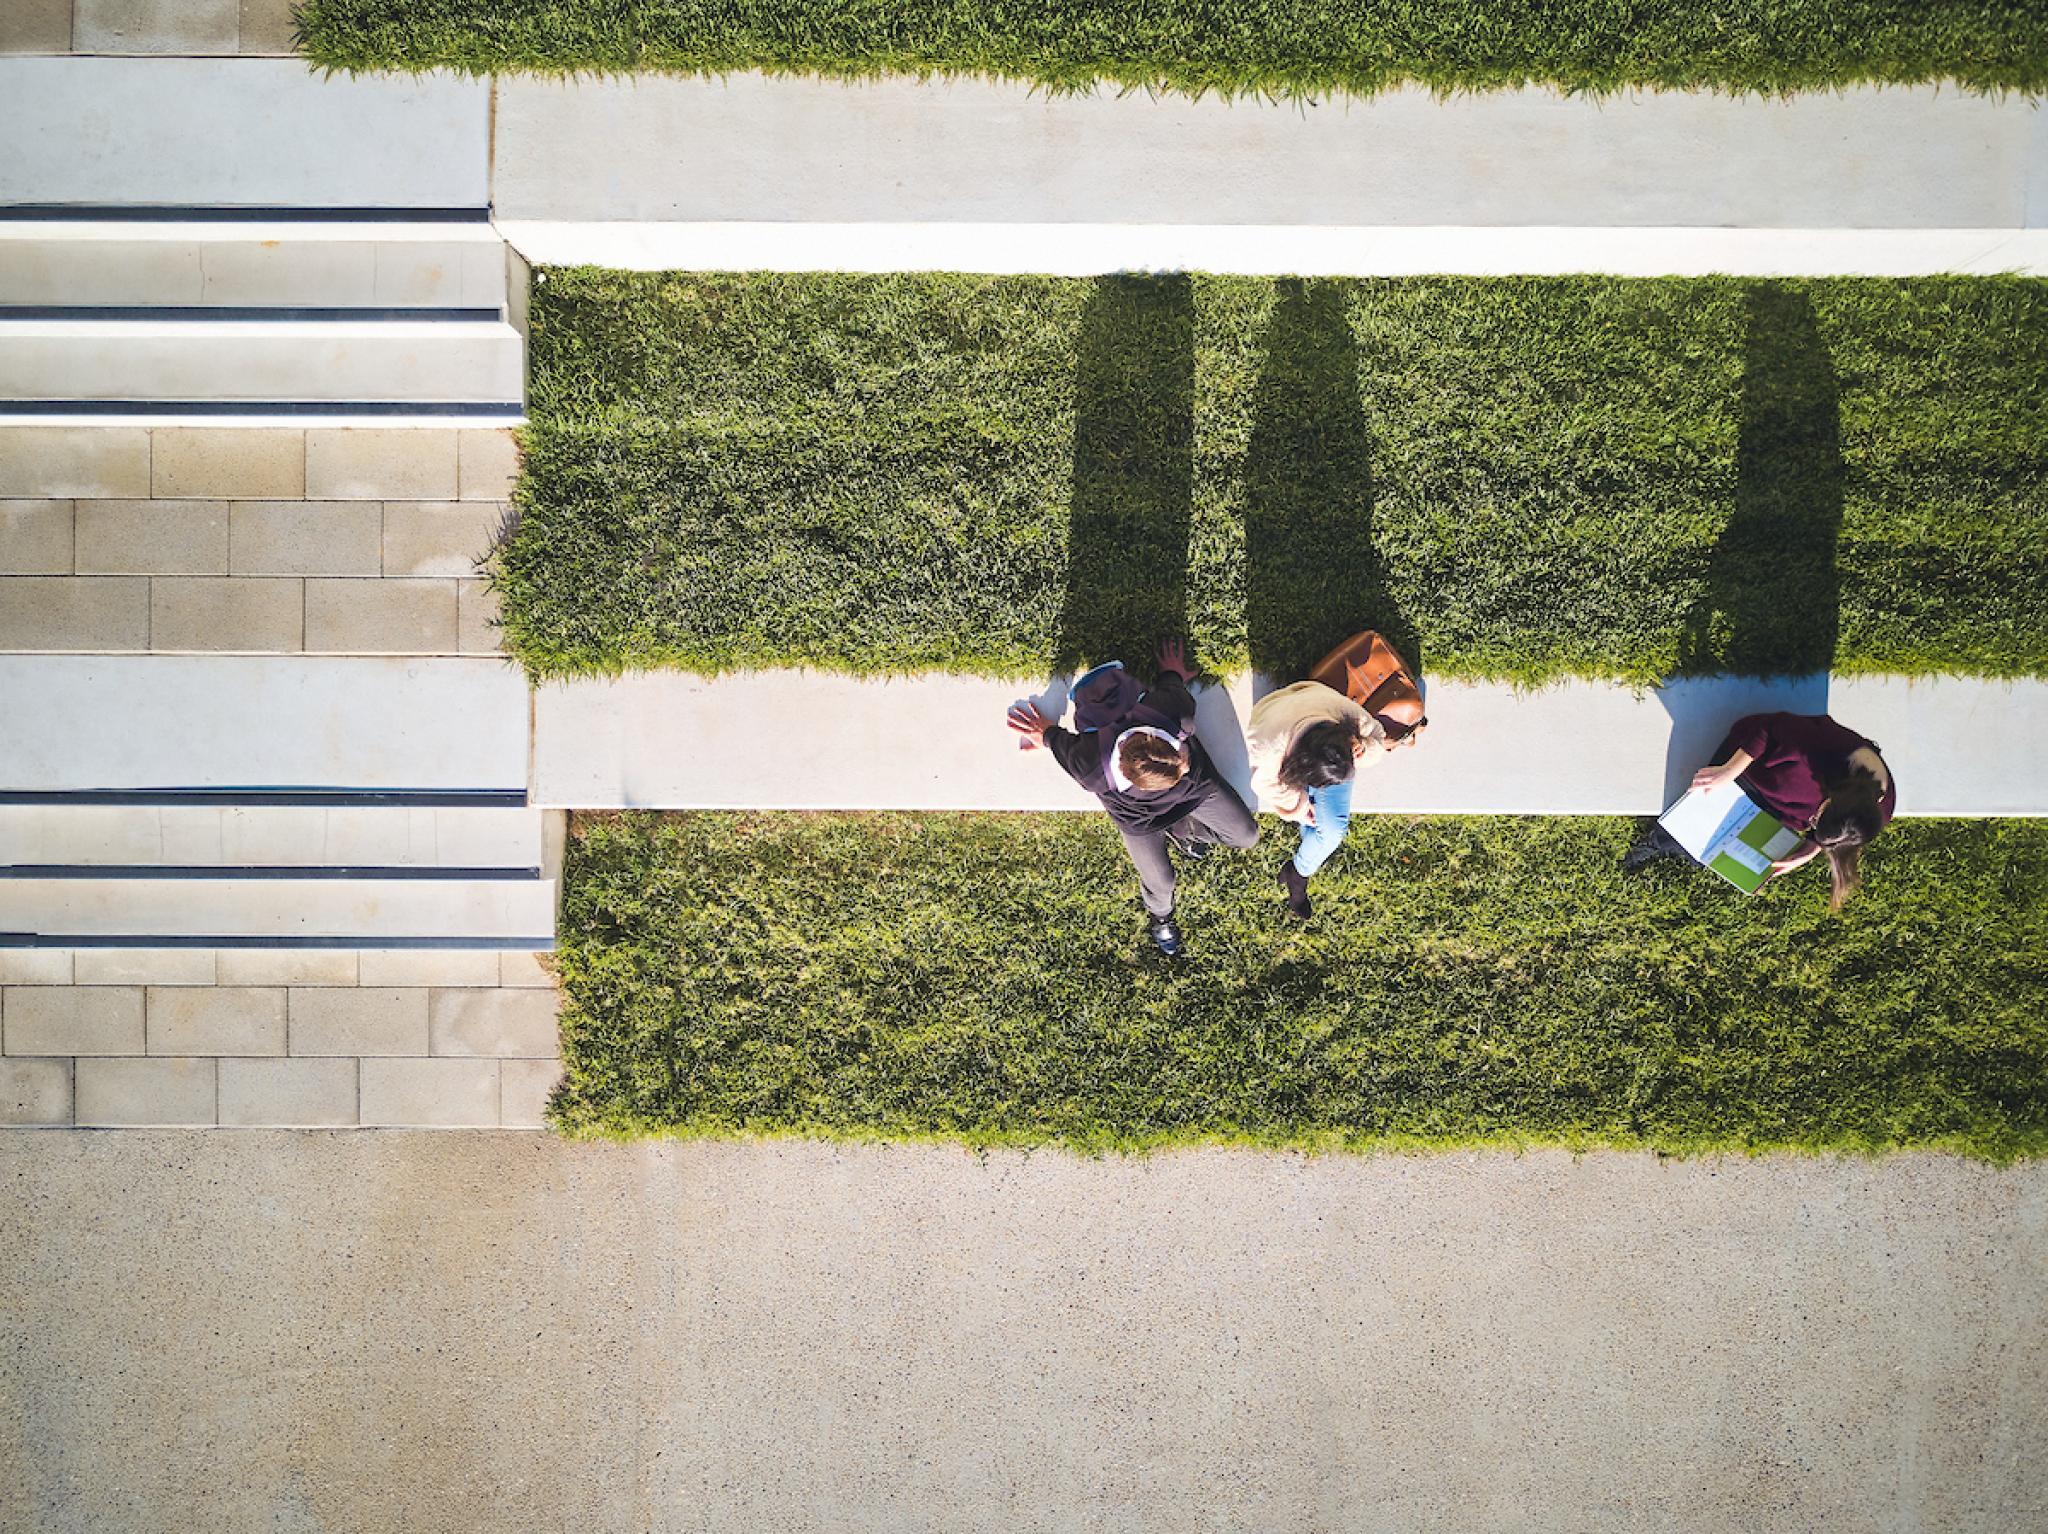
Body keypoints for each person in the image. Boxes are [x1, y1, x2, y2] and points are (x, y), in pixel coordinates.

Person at [1008, 640, 1258, 956]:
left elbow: (1171, 685)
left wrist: (1172, 671)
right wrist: (1043, 734)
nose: (1185, 753)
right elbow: (1057, 741)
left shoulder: (1173, 712)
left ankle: (1182, 829)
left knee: (1246, 835)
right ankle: (1161, 917)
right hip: (1139, 820)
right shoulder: (1091, 767)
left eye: (1181, 751)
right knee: (1162, 881)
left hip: (1198, 791)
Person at [1624, 712, 1896, 909]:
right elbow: (1768, 728)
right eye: (1816, 819)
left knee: (1716, 852)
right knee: (1694, 826)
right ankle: (1660, 840)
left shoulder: (1871, 814)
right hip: (1749, 770)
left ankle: (1686, 846)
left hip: (1780, 806)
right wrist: (1729, 771)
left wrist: (1811, 848)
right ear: (1836, 794)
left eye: (1813, 824)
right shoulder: (1818, 748)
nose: (1810, 823)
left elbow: (1837, 832)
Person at [1246, 678, 1398, 919]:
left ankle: (1297, 874)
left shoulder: (1345, 715)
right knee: (1323, 825)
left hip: (1314, 709)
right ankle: (1298, 877)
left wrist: (1363, 748)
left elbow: (1378, 735)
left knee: (1330, 828)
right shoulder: (1268, 750)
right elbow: (1264, 785)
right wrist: (1300, 806)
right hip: (1276, 719)